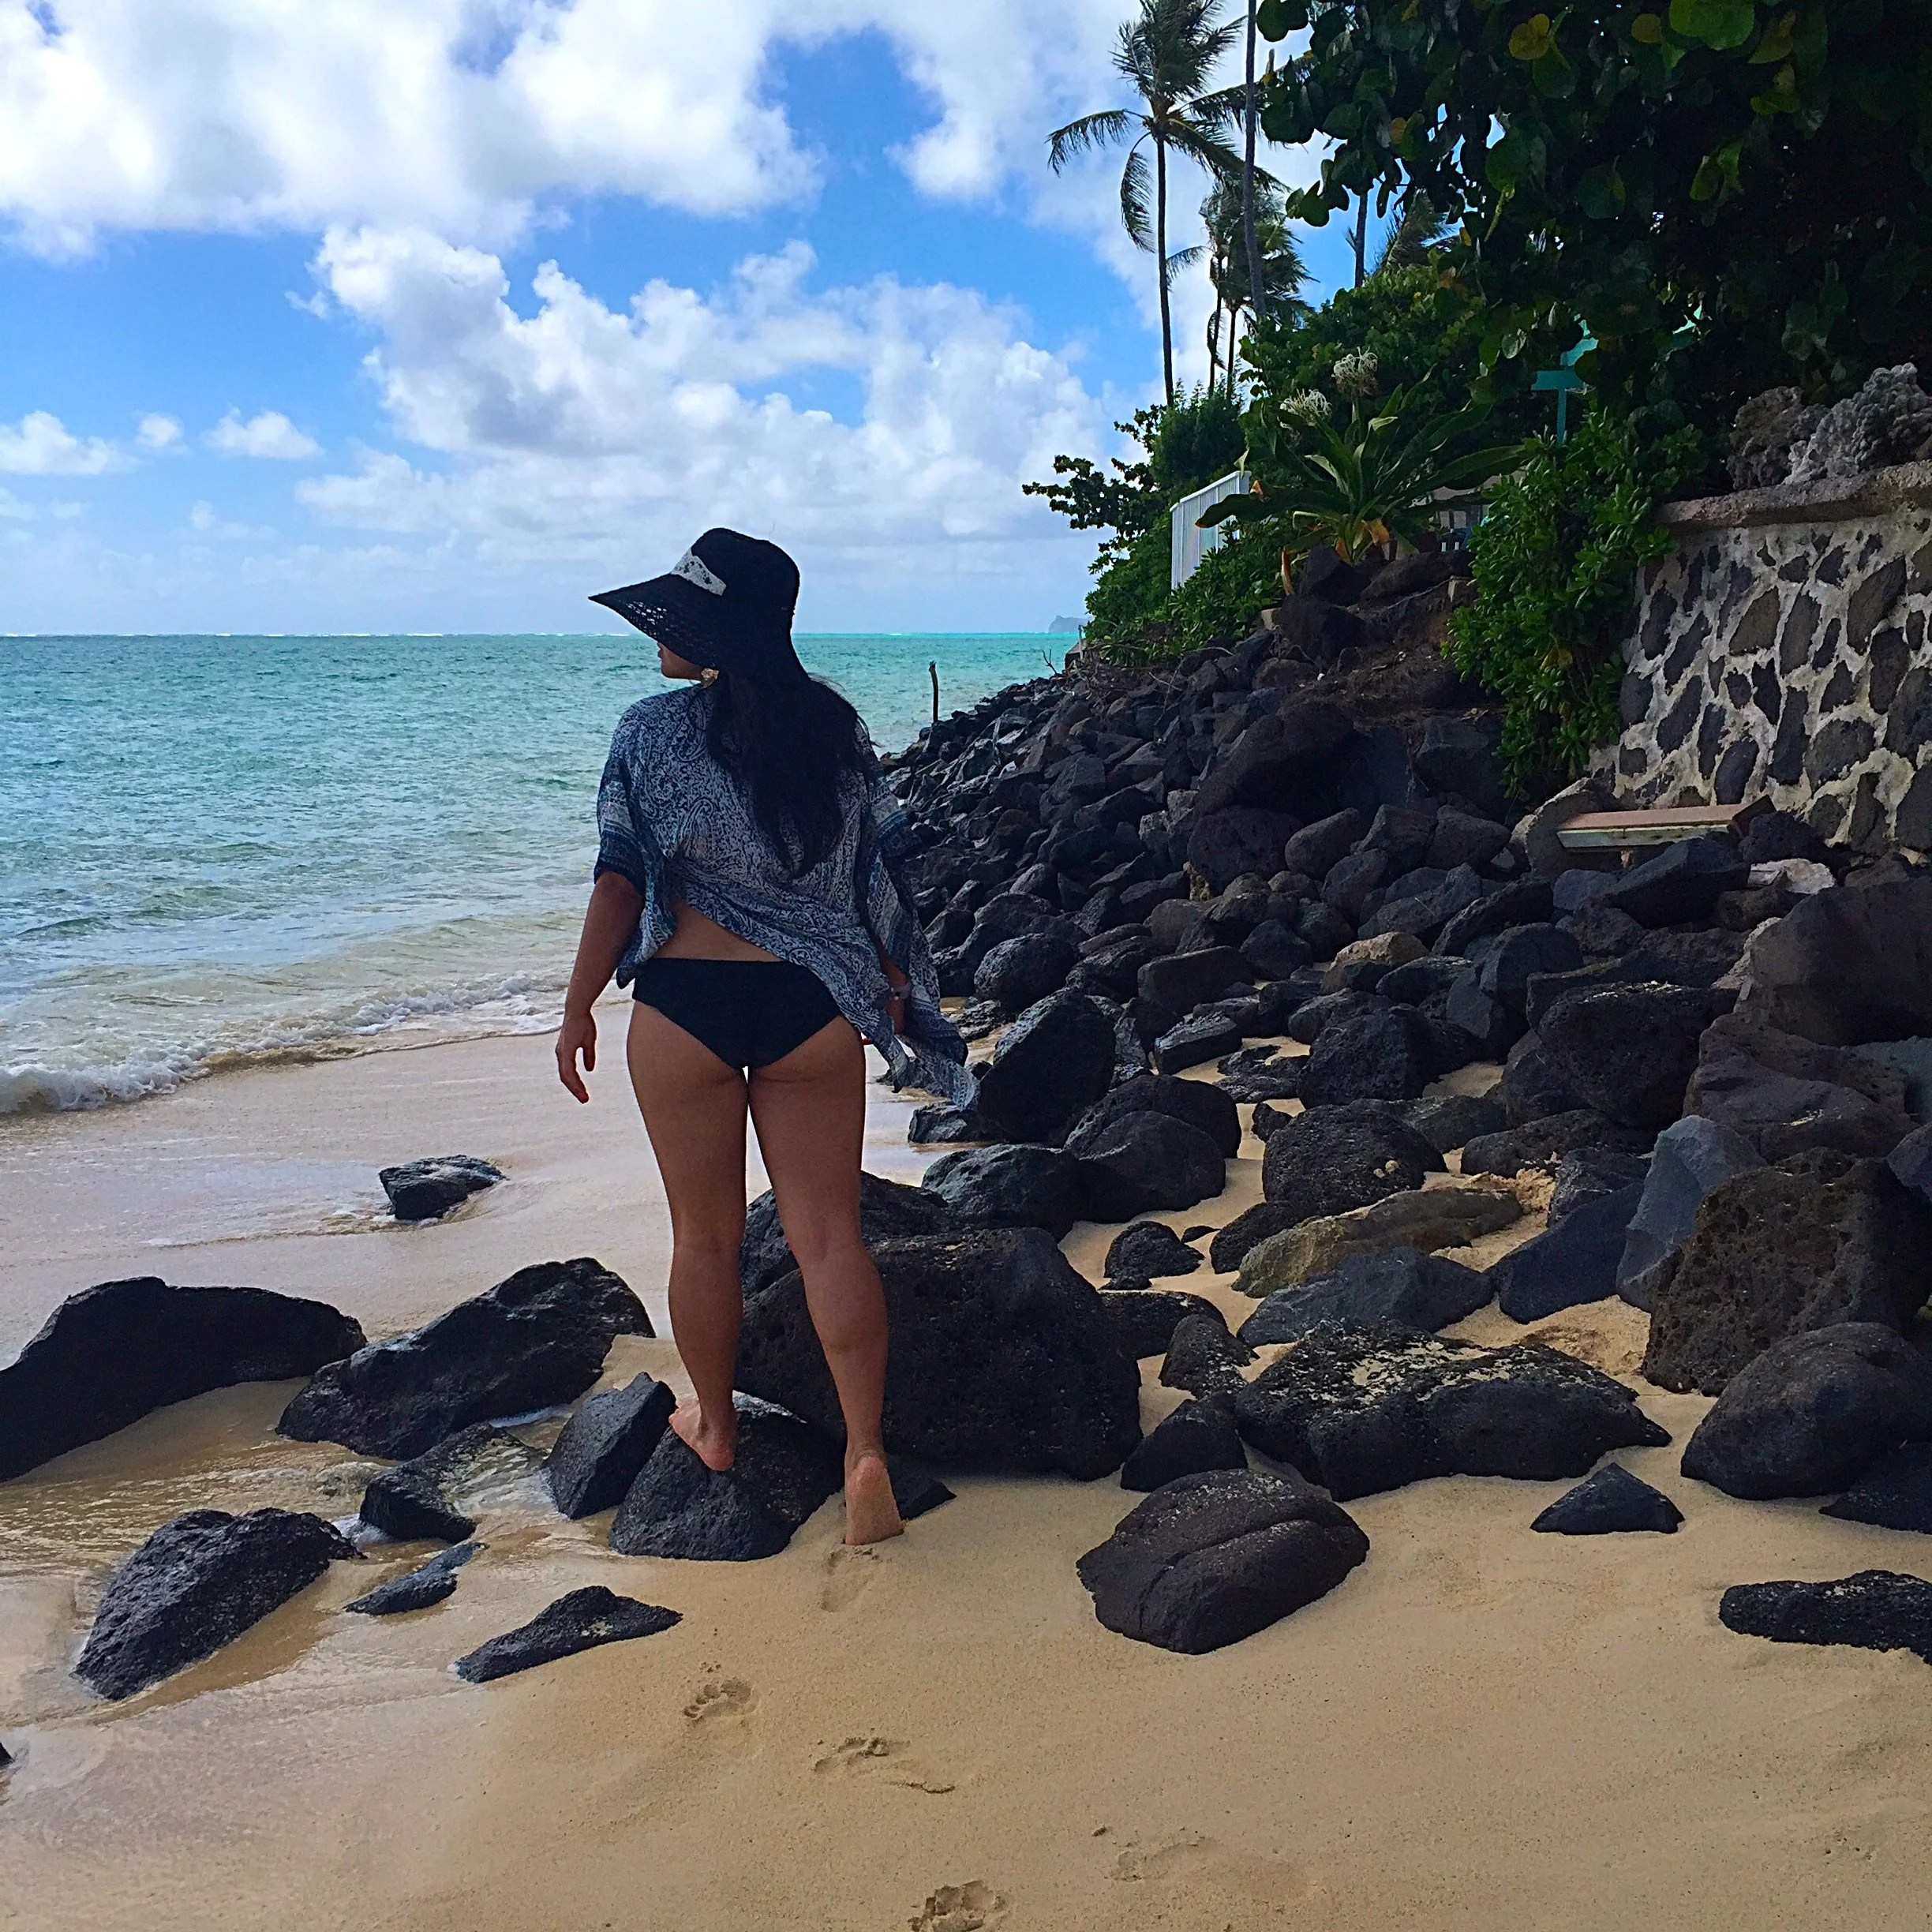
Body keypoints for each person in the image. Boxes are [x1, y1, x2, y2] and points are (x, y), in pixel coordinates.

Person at [556, 528, 972, 1547]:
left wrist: (576, 1006)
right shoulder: (831, 732)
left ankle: (716, 1423)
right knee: (828, 1234)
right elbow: (880, 869)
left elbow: (620, 880)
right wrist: (890, 973)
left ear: (711, 631)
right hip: (810, 1001)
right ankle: (864, 1451)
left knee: (701, 1237)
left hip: (685, 1008)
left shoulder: (647, 733)